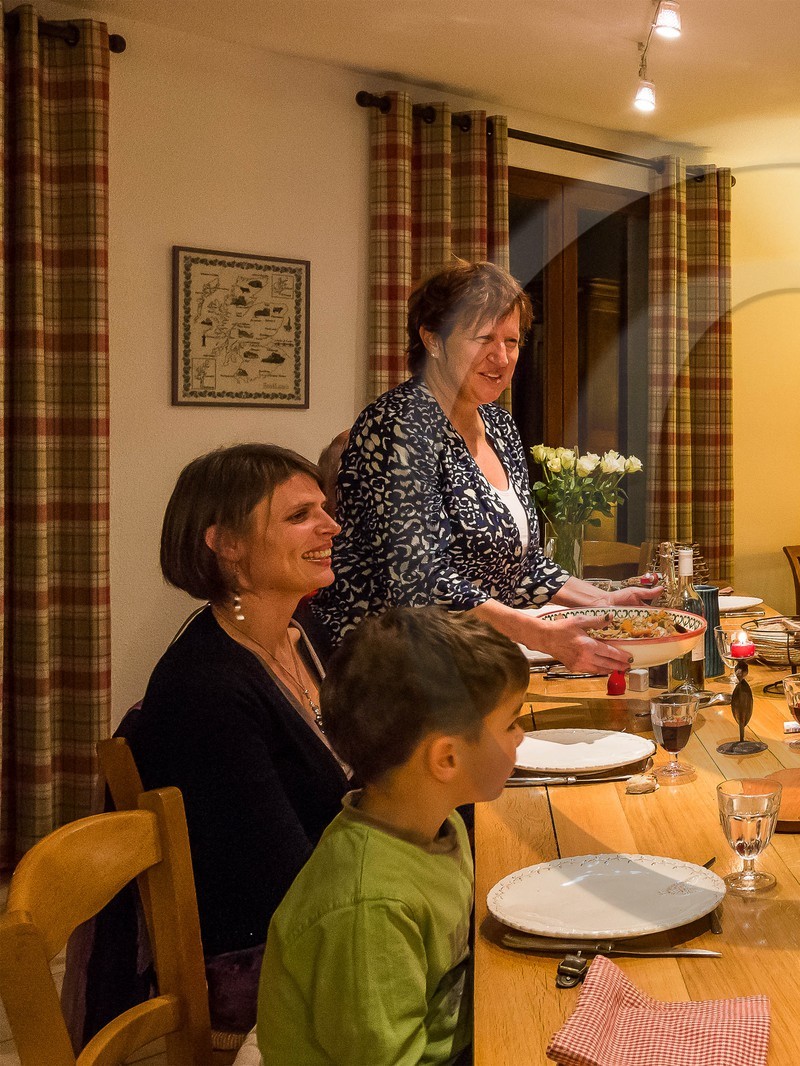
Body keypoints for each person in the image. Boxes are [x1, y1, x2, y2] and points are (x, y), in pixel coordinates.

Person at [85, 444, 351, 1047]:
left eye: (322, 507)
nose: (330, 524)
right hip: (267, 952)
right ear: (225, 544)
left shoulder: (298, 633)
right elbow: (287, 883)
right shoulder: (206, 688)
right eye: (298, 515)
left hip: (328, 905)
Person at [313, 260, 654, 671]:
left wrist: (607, 601)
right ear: (432, 340)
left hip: (473, 658)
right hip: (395, 669)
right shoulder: (397, 426)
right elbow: (421, 582)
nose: (502, 357)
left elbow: (519, 566)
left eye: (512, 341)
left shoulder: (498, 423)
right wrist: (544, 636)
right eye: (483, 339)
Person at [257, 606, 527, 1066]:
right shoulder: (371, 908)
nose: (521, 737)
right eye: (511, 723)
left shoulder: (439, 823)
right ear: (446, 759)